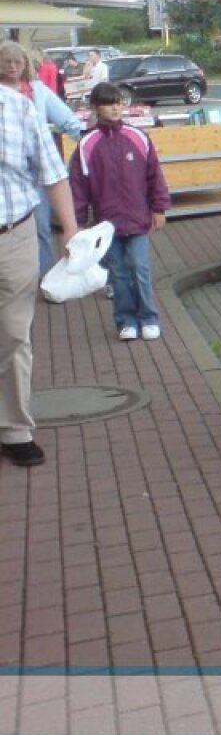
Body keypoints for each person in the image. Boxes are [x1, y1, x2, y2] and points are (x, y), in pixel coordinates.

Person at [0, 80, 79, 467]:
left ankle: (15, 429)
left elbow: (52, 172)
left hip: (14, 234)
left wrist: (70, 229)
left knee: (14, 333)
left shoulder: (19, 108)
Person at [69, 82, 170, 343]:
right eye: (108, 103)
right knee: (118, 273)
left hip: (138, 219)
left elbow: (154, 176)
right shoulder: (87, 145)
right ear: (96, 107)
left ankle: (149, 318)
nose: (115, 107)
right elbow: (78, 186)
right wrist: (78, 223)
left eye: (118, 102)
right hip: (107, 224)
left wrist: (159, 208)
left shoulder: (138, 137)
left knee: (140, 268)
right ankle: (126, 320)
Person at [0, 41, 84, 278]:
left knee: (41, 229)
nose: (13, 67)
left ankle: (45, 277)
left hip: (37, 175)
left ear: (26, 64)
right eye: (7, 62)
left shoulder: (36, 91)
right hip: (8, 182)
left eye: (18, 62)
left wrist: (91, 141)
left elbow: (68, 121)